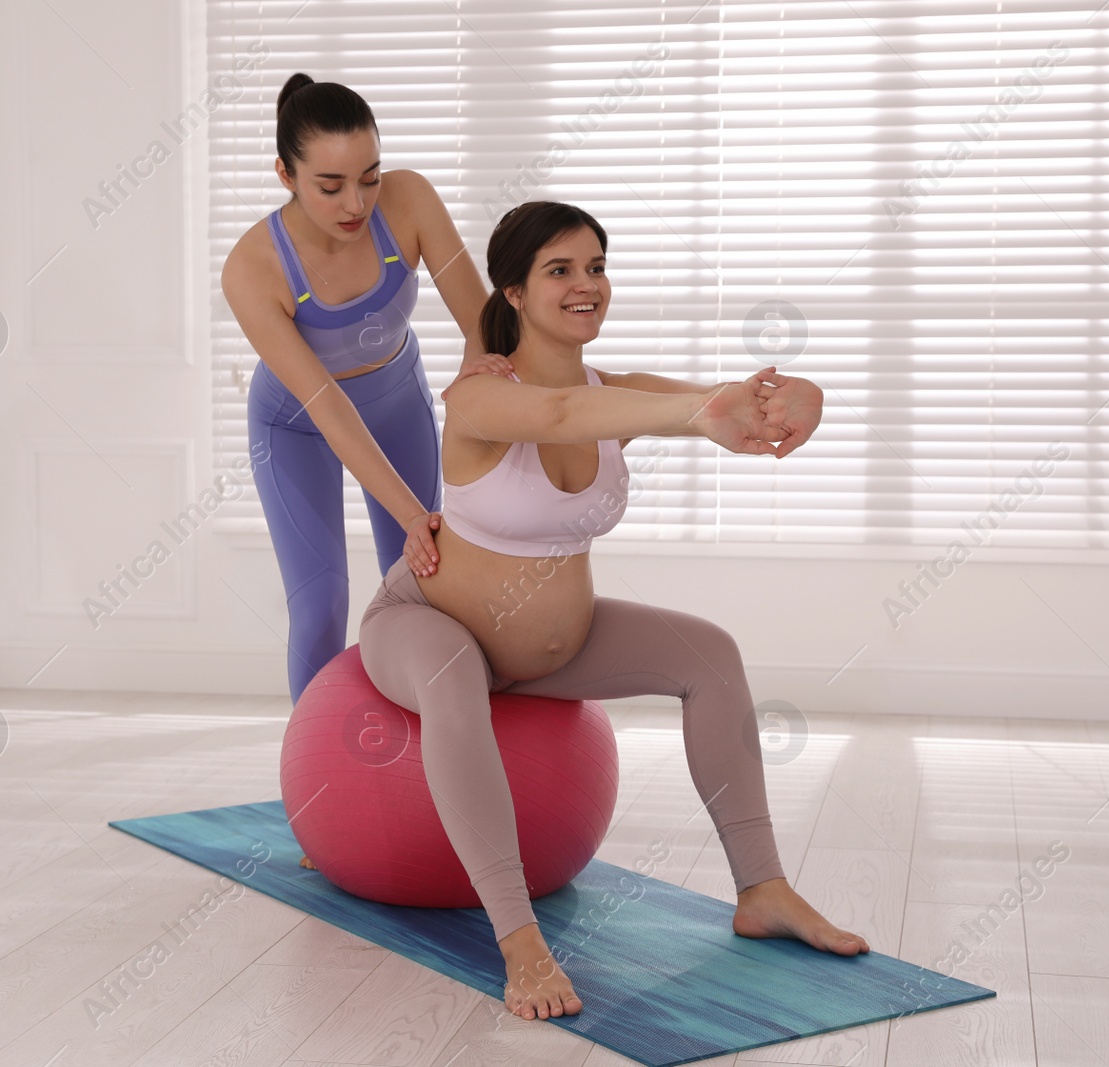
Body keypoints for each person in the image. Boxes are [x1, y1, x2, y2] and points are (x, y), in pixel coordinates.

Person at [356, 200, 865, 1024]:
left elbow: (715, 400)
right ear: (514, 293)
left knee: (710, 655)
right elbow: (563, 416)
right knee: (454, 679)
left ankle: (762, 887)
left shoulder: (611, 391)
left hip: (554, 649)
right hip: (427, 626)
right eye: (560, 270)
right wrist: (699, 413)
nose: (587, 284)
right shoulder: (480, 398)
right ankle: (520, 940)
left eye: (596, 266)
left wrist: (791, 396)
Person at [222, 75, 515, 705]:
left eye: (369, 177)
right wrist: (412, 512)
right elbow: (327, 406)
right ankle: (310, 781)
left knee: (417, 586)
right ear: (285, 174)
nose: (356, 203)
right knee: (322, 601)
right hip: (297, 425)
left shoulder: (408, 201)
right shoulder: (252, 268)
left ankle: (414, 761)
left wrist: (474, 397)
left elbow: (481, 323)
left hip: (396, 401)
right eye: (330, 186)